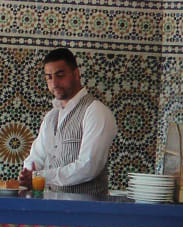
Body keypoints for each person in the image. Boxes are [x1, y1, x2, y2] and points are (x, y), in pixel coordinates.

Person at [19, 48, 118, 195]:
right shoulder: (51, 117)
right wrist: (28, 175)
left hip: (87, 207)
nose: (54, 83)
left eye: (60, 75)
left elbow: (89, 166)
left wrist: (40, 177)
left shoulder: (95, 111)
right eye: (49, 77)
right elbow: (35, 158)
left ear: (76, 74)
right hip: (50, 204)